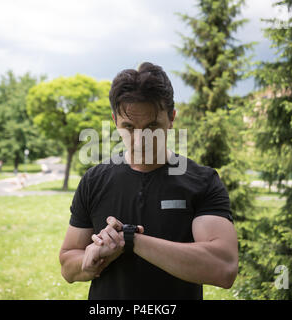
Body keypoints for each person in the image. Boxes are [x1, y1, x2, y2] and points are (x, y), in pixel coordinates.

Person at [59, 62, 238, 300]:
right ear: (115, 121)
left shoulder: (202, 181)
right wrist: (90, 261)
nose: (140, 140)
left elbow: (223, 268)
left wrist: (131, 241)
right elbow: (67, 264)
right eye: (129, 127)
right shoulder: (95, 180)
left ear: (172, 119)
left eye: (152, 126)